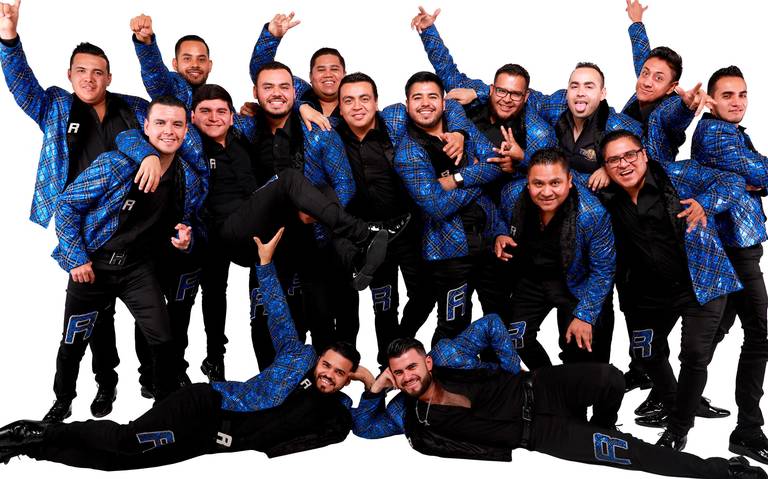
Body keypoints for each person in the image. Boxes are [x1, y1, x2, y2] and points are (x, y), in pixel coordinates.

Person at [0, 228, 372, 470]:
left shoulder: (337, 410)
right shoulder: (298, 357)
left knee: (120, 462)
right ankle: (31, 432)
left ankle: (28, 446)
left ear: (346, 380)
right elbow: (277, 311)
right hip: (203, 406)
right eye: (328, 365)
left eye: (339, 373)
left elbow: (367, 427)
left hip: (209, 440)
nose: (329, 374)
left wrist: (370, 383)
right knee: (126, 440)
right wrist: (264, 264)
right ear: (319, 359)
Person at [0, 0, 163, 421]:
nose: (90, 78)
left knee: (150, 320)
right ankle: (98, 387)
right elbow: (21, 84)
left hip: (135, 230)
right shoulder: (56, 107)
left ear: (109, 76)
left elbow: (169, 107)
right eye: (81, 71)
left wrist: (146, 45)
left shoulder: (133, 109)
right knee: (90, 325)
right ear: (70, 75)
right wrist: (9, 37)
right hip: (85, 234)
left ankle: (153, 380)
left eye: (98, 72)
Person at [349, 315, 766, 479]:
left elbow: (491, 324)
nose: (408, 377)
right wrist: (374, 388)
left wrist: (515, 374)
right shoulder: (407, 415)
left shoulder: (448, 356)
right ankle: (720, 471)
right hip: (541, 434)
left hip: (541, 387)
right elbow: (365, 428)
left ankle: (602, 422)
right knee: (630, 454)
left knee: (610, 378)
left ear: (427, 362)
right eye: (399, 373)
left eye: (412, 367)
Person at [51, 96, 205, 409]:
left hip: (137, 268)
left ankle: (164, 405)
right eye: (160, 123)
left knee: (163, 338)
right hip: (94, 265)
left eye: (177, 124)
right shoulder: (115, 164)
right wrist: (76, 258)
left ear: (185, 129)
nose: (169, 130)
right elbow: (66, 205)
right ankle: (63, 401)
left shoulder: (186, 176)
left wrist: (185, 237)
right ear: (146, 127)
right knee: (74, 340)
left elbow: (186, 219)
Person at [599, 129, 743, 450]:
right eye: (614, 160)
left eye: (630, 155)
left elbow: (732, 182)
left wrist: (705, 203)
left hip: (701, 283)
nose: (624, 164)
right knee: (645, 351)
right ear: (604, 166)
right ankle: (676, 401)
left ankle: (678, 429)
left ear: (644, 155)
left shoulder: (679, 174)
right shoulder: (604, 194)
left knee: (694, 354)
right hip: (648, 293)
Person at [395, 71, 510, 346]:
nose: (425, 103)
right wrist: (477, 179)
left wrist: (456, 179)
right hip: (449, 252)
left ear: (443, 102)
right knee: (453, 325)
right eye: (417, 98)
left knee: (500, 320)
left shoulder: (462, 130)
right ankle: (437, 372)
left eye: (432, 96)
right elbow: (436, 205)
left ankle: (493, 372)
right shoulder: (408, 152)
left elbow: (496, 164)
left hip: (489, 240)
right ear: (408, 105)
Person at [691, 65, 768, 465]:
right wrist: (755, 175)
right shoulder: (717, 134)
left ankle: (671, 399)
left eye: (742, 94)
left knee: (716, 329)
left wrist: (756, 176)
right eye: (727, 96)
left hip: (737, 244)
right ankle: (748, 431)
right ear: (711, 101)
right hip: (735, 247)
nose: (737, 102)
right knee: (761, 333)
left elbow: (758, 174)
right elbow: (761, 171)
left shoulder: (731, 132)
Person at [494, 148, 615, 368]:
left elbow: (603, 270)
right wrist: (500, 234)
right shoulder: (512, 195)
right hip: (533, 279)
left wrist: (585, 315)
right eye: (538, 184)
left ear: (569, 181)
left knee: (577, 347)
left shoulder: (593, 213)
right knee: (515, 336)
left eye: (555, 183)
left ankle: (569, 383)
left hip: (577, 282)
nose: (546, 192)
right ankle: (547, 381)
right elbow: (498, 217)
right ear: (528, 183)